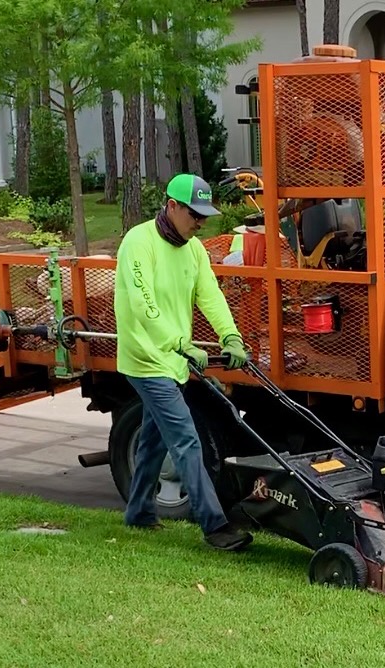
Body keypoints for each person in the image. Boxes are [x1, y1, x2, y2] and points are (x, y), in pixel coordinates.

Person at [113, 173, 253, 551]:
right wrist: (179, 342)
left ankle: (139, 513)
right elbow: (143, 306)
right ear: (171, 206)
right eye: (194, 214)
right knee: (187, 439)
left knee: (153, 441)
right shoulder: (138, 243)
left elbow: (210, 295)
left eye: (204, 216)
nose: (200, 223)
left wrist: (231, 335)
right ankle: (215, 525)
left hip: (174, 358)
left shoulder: (193, 249)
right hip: (145, 358)